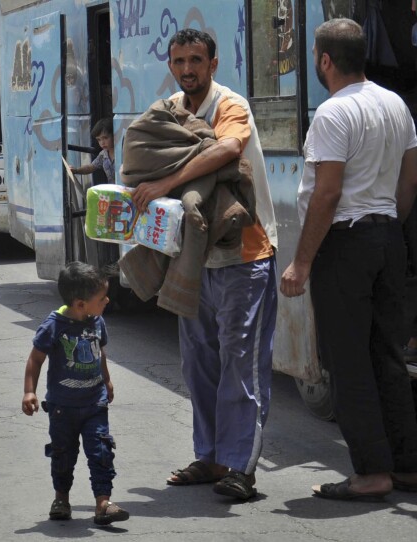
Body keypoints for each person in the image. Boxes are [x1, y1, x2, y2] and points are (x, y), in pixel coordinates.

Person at [131, 29, 278, 500]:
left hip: (244, 255)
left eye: (196, 60)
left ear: (213, 64)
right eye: (179, 61)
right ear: (170, 65)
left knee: (241, 361)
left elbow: (229, 149)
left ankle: (241, 467)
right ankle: (212, 456)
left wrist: (169, 180)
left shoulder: (229, 104)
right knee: (199, 363)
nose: (188, 69)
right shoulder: (172, 109)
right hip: (194, 257)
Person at [280, 18, 417, 501]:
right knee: (387, 355)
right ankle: (406, 464)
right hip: (387, 239)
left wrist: (301, 262)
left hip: (347, 244)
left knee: (347, 359)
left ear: (323, 60)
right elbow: (408, 182)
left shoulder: (333, 114)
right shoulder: (395, 104)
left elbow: (327, 193)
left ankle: (371, 473)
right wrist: (389, 230)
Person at [21, 262, 128, 525]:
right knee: (63, 453)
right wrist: (29, 391)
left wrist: (108, 380)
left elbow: (99, 352)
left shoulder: (97, 321)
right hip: (62, 408)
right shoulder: (54, 326)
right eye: (101, 298)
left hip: (95, 403)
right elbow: (35, 360)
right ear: (81, 303)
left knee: (101, 451)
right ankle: (61, 498)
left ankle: (103, 503)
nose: (107, 300)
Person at [70, 118, 115, 183]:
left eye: (105, 138)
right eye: (99, 139)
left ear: (114, 136)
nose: (102, 143)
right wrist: (76, 170)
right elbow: (90, 167)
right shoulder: (103, 155)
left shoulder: (123, 152)